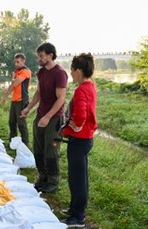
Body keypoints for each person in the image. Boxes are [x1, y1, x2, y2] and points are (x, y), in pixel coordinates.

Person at [21, 43, 68, 193]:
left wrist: (48, 116)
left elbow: (61, 98)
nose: (39, 59)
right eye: (38, 56)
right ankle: (42, 177)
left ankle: (53, 181)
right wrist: (28, 108)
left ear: (50, 55)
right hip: (41, 114)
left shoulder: (59, 73)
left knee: (51, 150)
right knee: (38, 147)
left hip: (54, 117)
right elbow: (39, 93)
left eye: (41, 56)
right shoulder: (41, 73)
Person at [60, 53, 98, 228]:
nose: (71, 74)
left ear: (79, 70)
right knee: (77, 177)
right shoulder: (90, 86)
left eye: (73, 70)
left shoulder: (82, 89)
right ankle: (74, 209)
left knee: (78, 179)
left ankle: (78, 217)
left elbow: (81, 116)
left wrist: (70, 130)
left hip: (80, 140)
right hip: (84, 140)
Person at [1, 53, 32, 146]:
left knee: (21, 123)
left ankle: (25, 144)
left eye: (18, 62)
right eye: (15, 62)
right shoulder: (17, 71)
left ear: (23, 61)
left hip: (22, 100)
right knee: (11, 122)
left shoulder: (26, 71)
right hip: (15, 100)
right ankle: (12, 142)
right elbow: (13, 82)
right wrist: (13, 78)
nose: (16, 64)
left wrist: (5, 96)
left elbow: (14, 84)